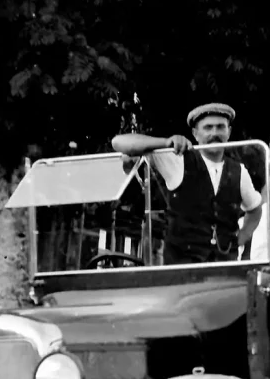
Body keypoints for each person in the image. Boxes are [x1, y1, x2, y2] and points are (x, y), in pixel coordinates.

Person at [111, 102, 262, 265]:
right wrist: (165, 142)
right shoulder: (177, 159)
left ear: (229, 132)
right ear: (195, 134)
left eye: (220, 127)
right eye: (208, 128)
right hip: (182, 269)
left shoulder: (239, 171)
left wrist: (239, 239)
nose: (214, 133)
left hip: (223, 268)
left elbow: (255, 210)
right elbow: (119, 142)